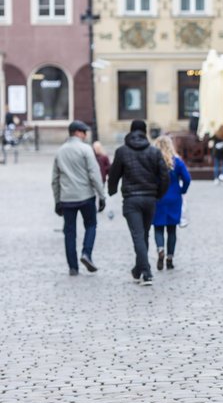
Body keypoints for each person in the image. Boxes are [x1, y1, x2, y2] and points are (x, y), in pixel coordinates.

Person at [108, 119, 169, 286]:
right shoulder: (154, 152)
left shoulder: (122, 152)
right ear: (145, 132)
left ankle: (146, 273)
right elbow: (165, 176)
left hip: (131, 200)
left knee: (138, 236)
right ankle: (138, 269)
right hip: (150, 199)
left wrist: (111, 190)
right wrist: (158, 194)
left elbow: (114, 174)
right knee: (143, 234)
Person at [51, 120, 107, 275]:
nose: (86, 135)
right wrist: (101, 196)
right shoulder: (86, 149)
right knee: (91, 225)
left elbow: (55, 180)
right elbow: (94, 174)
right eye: (84, 132)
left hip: (67, 198)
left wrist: (57, 201)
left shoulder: (60, 151)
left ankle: (73, 267)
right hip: (85, 196)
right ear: (77, 132)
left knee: (69, 232)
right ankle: (86, 253)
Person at [152, 136, 191, 271]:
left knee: (158, 227)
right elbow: (187, 178)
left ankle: (160, 248)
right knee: (172, 229)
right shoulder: (177, 161)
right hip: (174, 197)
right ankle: (170, 258)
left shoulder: (154, 161)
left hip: (158, 197)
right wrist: (182, 190)